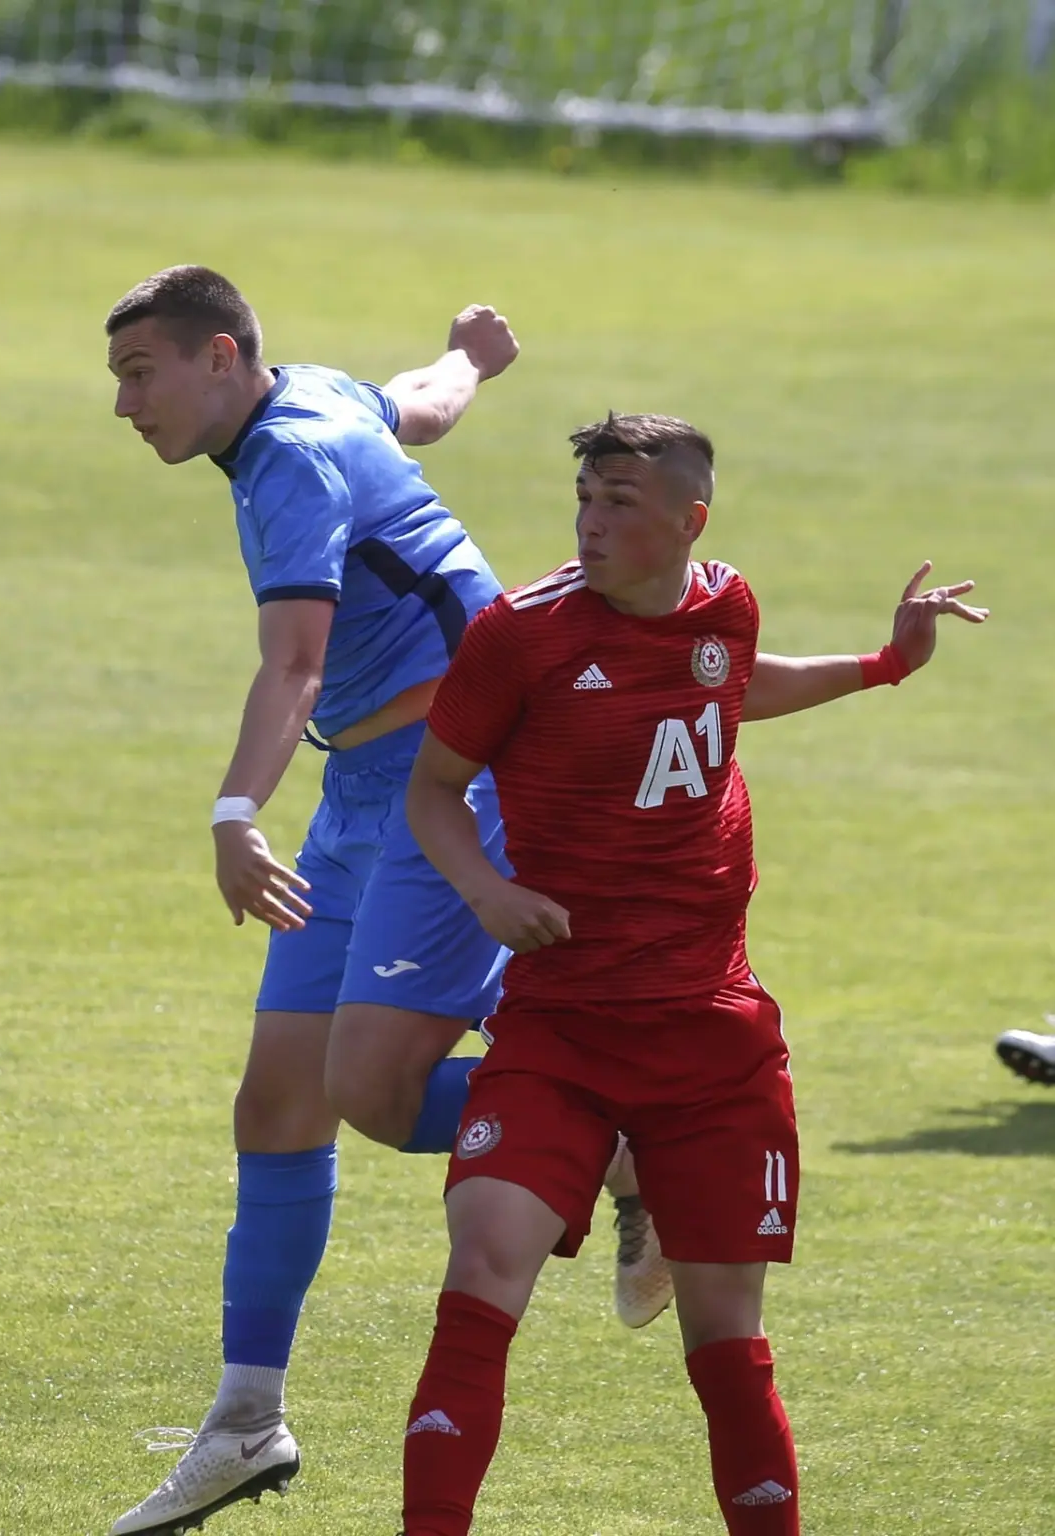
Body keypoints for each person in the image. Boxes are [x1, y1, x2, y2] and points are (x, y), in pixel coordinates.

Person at [397, 412, 987, 1536]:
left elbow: (733, 686)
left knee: (726, 1339)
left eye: (619, 503)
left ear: (688, 522)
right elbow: (431, 788)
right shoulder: (518, 636)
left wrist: (883, 666)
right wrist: (485, 890)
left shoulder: (726, 605)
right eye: (585, 498)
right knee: (482, 1270)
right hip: (560, 1028)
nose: (589, 523)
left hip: (711, 1038)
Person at [102, 264, 565, 1536]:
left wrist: (233, 812)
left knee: (379, 1090)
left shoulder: (290, 457)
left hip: (451, 783)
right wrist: (470, 356)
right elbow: (421, 404)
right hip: (365, 788)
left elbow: (295, 665)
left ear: (219, 357)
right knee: (279, 1102)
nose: (126, 405)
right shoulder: (312, 395)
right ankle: (247, 1421)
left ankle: (629, 1144)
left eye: (140, 374)